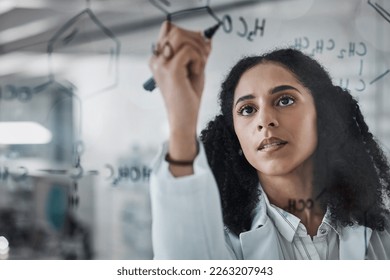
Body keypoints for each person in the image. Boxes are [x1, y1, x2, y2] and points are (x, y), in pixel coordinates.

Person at [148, 21, 390, 259]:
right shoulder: (222, 243)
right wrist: (182, 119)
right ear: (236, 137)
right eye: (247, 109)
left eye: (285, 100)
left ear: (322, 115)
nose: (265, 121)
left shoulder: (380, 233)